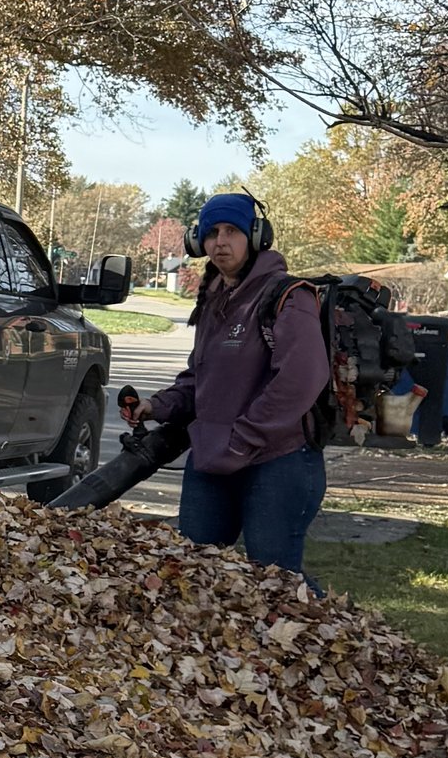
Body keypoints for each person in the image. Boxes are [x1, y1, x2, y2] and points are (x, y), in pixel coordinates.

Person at [141, 192, 331, 576]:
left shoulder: (288, 297)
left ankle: (331, 636)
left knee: (274, 579)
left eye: (232, 230)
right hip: (213, 458)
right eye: (211, 233)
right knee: (196, 572)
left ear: (257, 236)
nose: (220, 241)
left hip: (276, 459)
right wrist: (158, 405)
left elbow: (302, 379)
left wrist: (245, 436)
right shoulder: (213, 299)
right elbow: (202, 379)